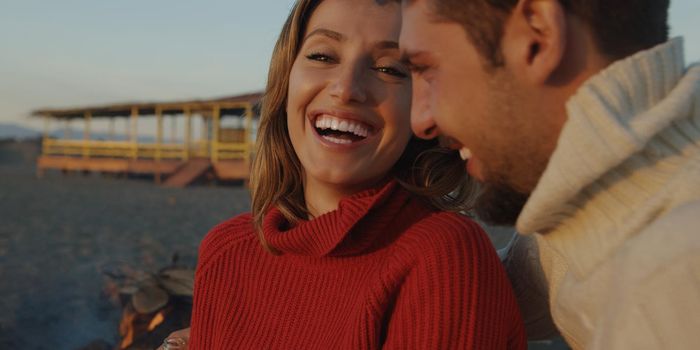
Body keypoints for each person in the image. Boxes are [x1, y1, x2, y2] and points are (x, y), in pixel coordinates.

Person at [163, 0, 528, 349]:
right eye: (322, 56)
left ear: (426, 105)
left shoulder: (443, 256)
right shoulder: (225, 250)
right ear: (286, 79)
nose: (346, 88)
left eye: (390, 68)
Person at [398, 0, 700, 348]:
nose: (420, 121)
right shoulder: (575, 233)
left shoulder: (675, 274)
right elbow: (466, 301)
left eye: (426, 69)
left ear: (538, 35)